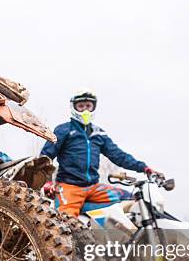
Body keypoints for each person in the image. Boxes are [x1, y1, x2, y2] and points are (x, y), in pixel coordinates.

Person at [41, 89, 163, 217]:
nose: (85, 110)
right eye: (81, 106)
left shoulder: (99, 133)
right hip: (69, 187)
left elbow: (118, 155)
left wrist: (144, 167)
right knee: (64, 223)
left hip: (94, 187)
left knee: (134, 200)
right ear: (74, 107)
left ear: (94, 107)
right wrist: (46, 182)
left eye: (88, 106)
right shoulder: (63, 130)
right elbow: (45, 157)